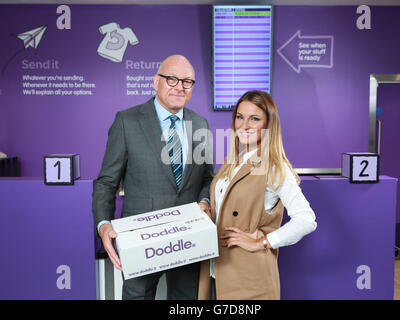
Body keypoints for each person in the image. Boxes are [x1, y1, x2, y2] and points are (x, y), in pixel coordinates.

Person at [92, 54, 214, 300]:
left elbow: (207, 178)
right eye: (172, 79)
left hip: (188, 238)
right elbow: (106, 182)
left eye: (187, 81)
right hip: (141, 240)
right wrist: (103, 224)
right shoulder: (126, 121)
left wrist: (205, 201)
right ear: (155, 81)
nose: (180, 86)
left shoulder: (200, 124)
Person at [198, 90, 317, 300]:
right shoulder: (234, 160)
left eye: (254, 119)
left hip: (249, 278)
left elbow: (306, 220)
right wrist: (207, 204)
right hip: (217, 271)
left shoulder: (273, 166)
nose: (244, 126)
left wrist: (262, 242)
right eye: (239, 117)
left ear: (269, 124)